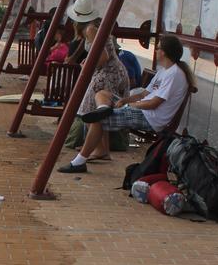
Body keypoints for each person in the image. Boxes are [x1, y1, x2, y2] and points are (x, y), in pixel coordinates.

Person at [58, 33, 193, 174]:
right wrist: (124, 100)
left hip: (151, 118)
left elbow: (153, 103)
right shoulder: (165, 71)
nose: (156, 50)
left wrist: (130, 106)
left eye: (158, 48)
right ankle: (103, 109)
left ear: (164, 52)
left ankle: (79, 162)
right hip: (144, 111)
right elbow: (143, 94)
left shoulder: (174, 74)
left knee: (97, 120)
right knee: (102, 93)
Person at [65, 0, 130, 160]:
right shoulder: (93, 27)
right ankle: (101, 148)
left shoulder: (90, 30)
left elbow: (103, 56)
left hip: (107, 73)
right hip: (112, 72)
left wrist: (88, 67)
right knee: (98, 111)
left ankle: (99, 148)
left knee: (88, 109)